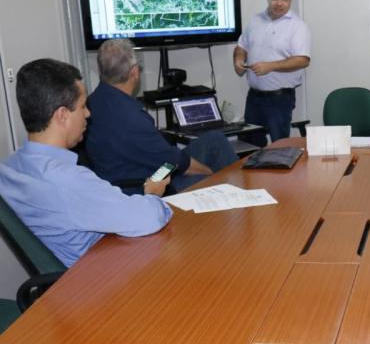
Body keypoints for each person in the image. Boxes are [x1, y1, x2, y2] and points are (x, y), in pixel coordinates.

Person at [0, 59, 172, 267]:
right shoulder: (67, 180)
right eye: (82, 106)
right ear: (62, 115)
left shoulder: (8, 169)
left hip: (69, 274)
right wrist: (152, 194)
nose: (88, 114)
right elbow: (149, 219)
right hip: (98, 275)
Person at [85, 39, 238, 193]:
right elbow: (174, 162)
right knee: (216, 181)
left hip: (138, 168)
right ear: (134, 72)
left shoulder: (92, 102)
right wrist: (209, 174)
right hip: (148, 184)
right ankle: (243, 192)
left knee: (215, 140)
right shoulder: (132, 118)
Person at [234, 0, 311, 146]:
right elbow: (241, 46)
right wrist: (239, 59)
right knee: (250, 147)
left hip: (279, 100)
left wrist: (271, 66)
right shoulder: (255, 20)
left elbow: (302, 60)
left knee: (279, 149)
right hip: (253, 98)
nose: (279, 3)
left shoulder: (298, 26)